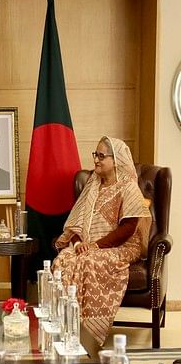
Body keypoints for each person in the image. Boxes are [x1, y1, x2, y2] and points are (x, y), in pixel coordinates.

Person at [53, 136, 151, 346]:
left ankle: (88, 334)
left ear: (115, 160)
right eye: (95, 155)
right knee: (64, 260)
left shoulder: (128, 187)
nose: (96, 160)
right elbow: (78, 223)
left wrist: (95, 246)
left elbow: (128, 229)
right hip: (88, 245)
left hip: (122, 246)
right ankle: (66, 326)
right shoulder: (93, 185)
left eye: (101, 156)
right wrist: (79, 244)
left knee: (90, 262)